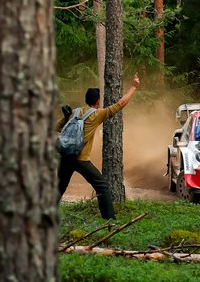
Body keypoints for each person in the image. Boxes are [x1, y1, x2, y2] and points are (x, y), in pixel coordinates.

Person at [56, 73, 141, 219]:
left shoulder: (75, 112)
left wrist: (66, 117)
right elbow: (120, 104)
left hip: (65, 157)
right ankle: (109, 220)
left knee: (59, 188)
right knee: (102, 186)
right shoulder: (96, 114)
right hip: (80, 159)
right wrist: (134, 87)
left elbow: (57, 128)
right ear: (97, 100)